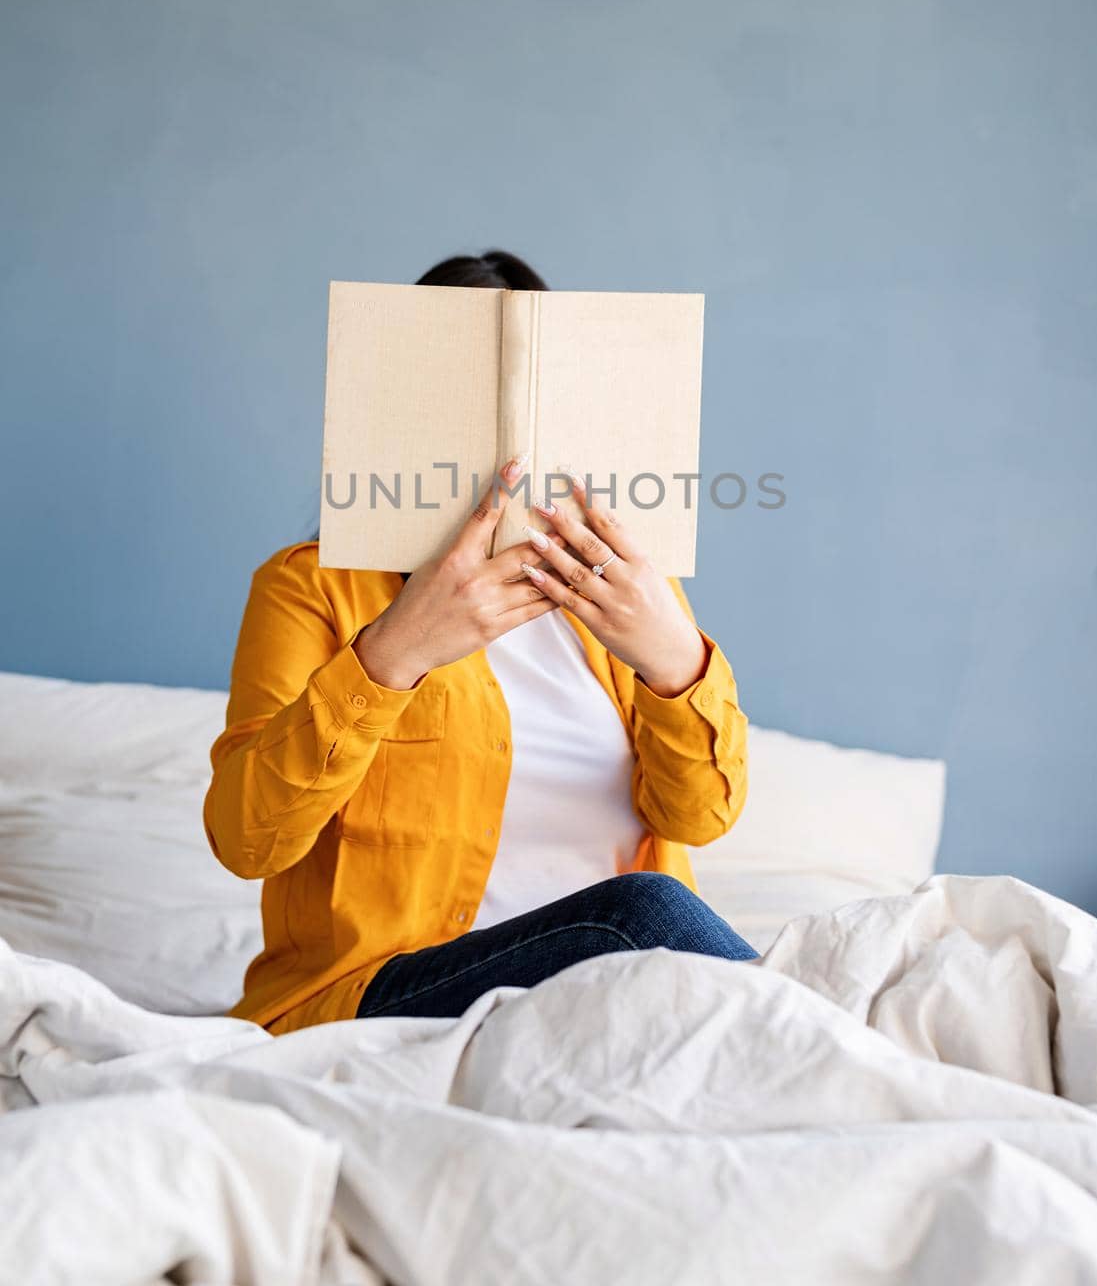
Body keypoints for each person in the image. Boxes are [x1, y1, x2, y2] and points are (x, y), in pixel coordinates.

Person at [203, 250, 757, 1036]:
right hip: (383, 1001)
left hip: (599, 1007)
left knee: (663, 943)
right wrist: (393, 654)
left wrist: (674, 665)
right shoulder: (311, 586)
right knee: (645, 916)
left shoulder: (628, 588)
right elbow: (247, 840)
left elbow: (699, 819)